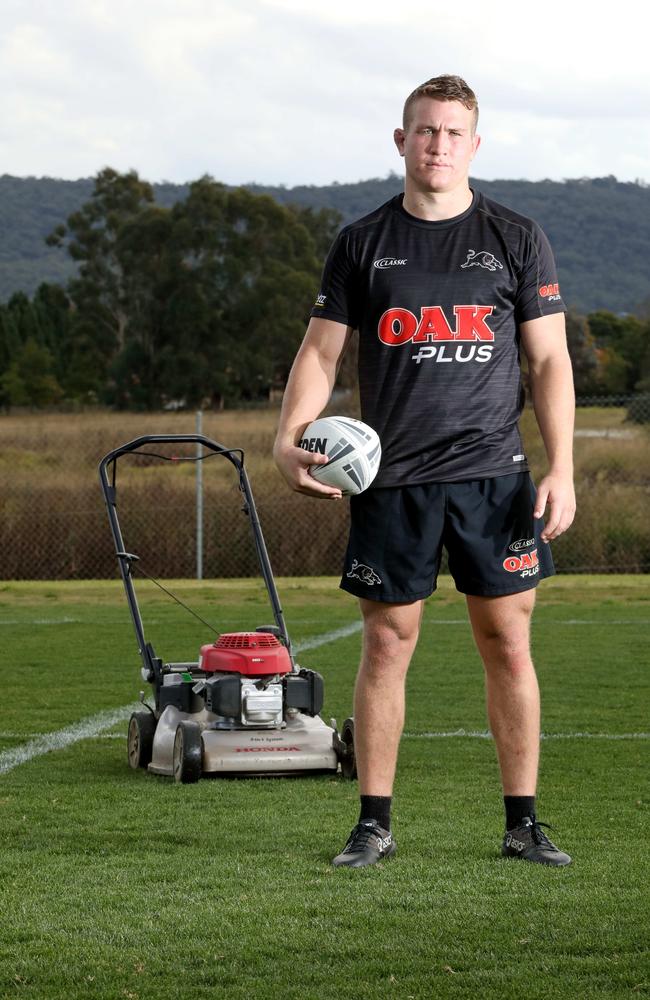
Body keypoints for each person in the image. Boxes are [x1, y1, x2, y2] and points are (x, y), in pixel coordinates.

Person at [273, 75, 575, 868]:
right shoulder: (363, 241)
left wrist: (564, 466)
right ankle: (373, 822)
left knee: (509, 644)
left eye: (452, 132)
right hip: (391, 480)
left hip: (494, 477)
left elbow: (548, 362)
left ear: (474, 145)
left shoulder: (516, 236)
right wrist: (288, 435)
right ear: (400, 140)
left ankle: (523, 823)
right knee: (386, 645)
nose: (437, 144)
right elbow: (321, 351)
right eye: (424, 130)